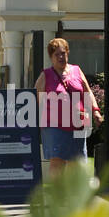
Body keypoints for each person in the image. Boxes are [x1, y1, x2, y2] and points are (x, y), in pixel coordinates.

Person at [35, 36, 102, 177]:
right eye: (57, 54)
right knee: (57, 162)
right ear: (51, 57)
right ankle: (57, 196)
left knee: (75, 162)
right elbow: (35, 98)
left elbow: (87, 92)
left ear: (68, 53)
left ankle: (72, 197)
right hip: (54, 126)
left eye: (63, 53)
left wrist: (95, 111)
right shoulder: (46, 75)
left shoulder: (76, 71)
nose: (60, 57)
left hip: (77, 124)